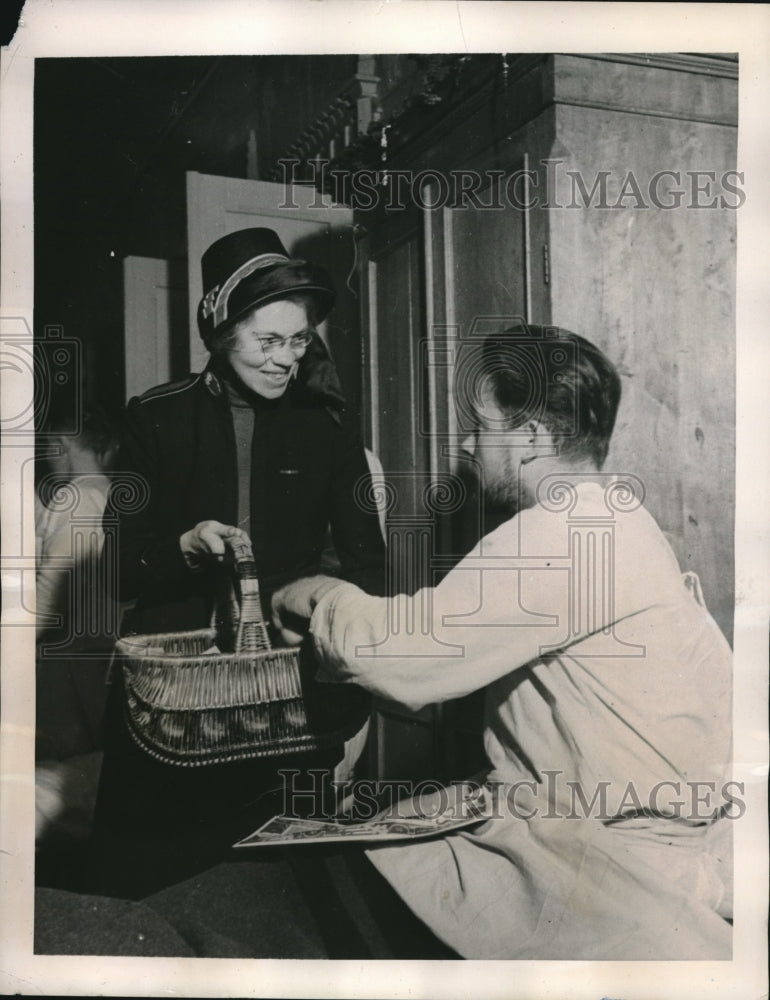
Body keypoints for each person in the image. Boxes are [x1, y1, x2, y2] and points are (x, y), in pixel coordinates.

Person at [270, 324, 734, 960]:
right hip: (626, 833)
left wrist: (313, 594)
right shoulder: (620, 518)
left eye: (481, 426)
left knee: (286, 901)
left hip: (609, 864)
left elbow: (404, 655)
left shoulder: (565, 532)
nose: (466, 444)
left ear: (533, 438)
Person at [89, 228, 386, 898]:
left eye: (299, 339)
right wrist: (186, 547)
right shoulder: (155, 419)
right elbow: (117, 571)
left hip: (288, 706)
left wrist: (320, 612)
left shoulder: (330, 430)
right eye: (267, 340)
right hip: (170, 715)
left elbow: (371, 570)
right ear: (220, 333)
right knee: (150, 894)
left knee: (285, 901)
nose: (287, 359)